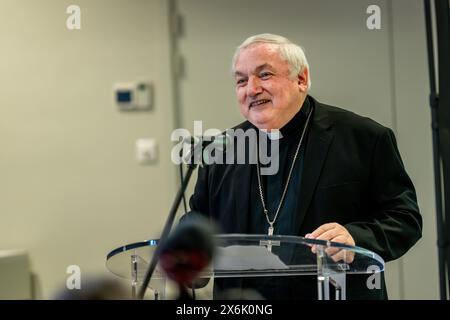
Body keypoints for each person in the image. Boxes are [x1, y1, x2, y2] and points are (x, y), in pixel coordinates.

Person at [186, 33, 422, 299]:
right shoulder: (222, 151)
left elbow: (405, 218)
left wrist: (355, 239)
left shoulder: (363, 138)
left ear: (301, 79)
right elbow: (198, 220)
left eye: (264, 75)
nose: (251, 89)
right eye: (241, 80)